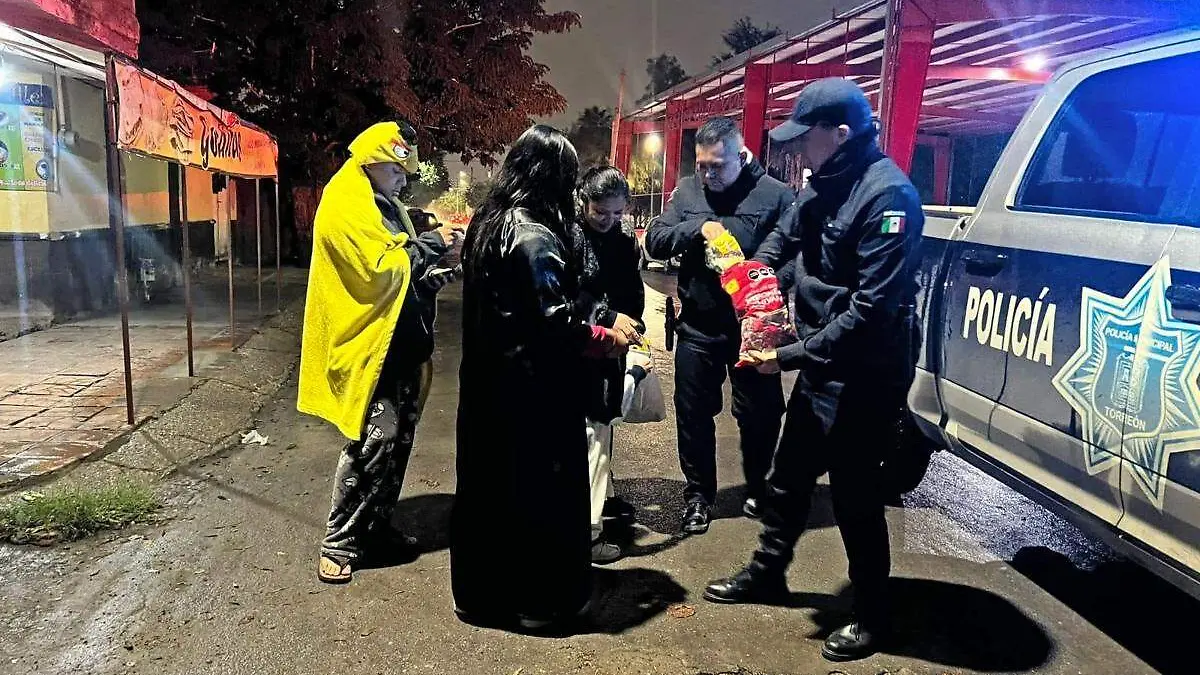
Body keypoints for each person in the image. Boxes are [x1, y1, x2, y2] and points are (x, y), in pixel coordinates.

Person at [703, 78, 924, 662]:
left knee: (854, 495)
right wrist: (753, 275)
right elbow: (784, 234)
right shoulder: (823, 182)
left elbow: (870, 313)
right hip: (823, 358)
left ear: (841, 134)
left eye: (806, 137)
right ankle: (768, 572)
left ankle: (873, 614)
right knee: (788, 475)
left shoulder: (888, 198)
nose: (797, 149)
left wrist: (785, 356)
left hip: (868, 369)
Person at [451, 125, 632, 633]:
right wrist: (605, 334)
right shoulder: (535, 236)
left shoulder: (488, 224)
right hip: (537, 396)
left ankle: (481, 595)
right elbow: (557, 325)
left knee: (488, 496)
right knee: (541, 501)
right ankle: (543, 602)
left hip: (488, 390)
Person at [299, 120, 464, 584]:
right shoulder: (345, 202)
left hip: (402, 344)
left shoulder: (385, 203)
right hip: (370, 347)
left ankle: (375, 528)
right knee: (372, 444)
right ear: (374, 161)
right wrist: (430, 246)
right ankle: (339, 541)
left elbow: (403, 273)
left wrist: (434, 275)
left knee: (398, 446)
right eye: (397, 169)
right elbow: (378, 268)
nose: (403, 178)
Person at [644, 116, 794, 535]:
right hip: (698, 325)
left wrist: (764, 279)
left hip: (754, 331)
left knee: (761, 415)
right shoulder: (689, 192)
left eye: (718, 166)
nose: (708, 174)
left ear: (741, 156)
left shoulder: (775, 196)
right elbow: (655, 237)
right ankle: (698, 497)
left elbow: (796, 252)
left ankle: (758, 484)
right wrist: (698, 228)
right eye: (702, 165)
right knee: (693, 414)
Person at [568, 165, 646, 564]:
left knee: (601, 430)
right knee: (590, 436)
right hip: (579, 348)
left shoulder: (626, 240)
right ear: (584, 202)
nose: (609, 220)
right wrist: (605, 315)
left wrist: (633, 325)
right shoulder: (569, 235)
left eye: (617, 213)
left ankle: (598, 507)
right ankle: (589, 531)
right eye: (601, 212)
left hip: (611, 352)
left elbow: (633, 292)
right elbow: (568, 293)